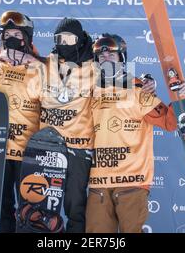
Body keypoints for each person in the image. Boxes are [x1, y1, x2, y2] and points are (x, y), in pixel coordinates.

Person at [39, 19, 157, 232]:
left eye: (70, 38)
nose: (105, 58)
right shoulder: (48, 65)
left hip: (89, 154)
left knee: (76, 208)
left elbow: (125, 80)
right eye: (60, 39)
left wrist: (146, 82)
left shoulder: (106, 76)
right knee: (46, 207)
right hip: (57, 150)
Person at [85, 33, 185, 233]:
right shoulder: (89, 92)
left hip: (131, 182)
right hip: (98, 182)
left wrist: (182, 97)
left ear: (122, 58)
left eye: (111, 56)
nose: (105, 59)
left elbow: (170, 122)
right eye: (100, 56)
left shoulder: (137, 91)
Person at [0, 10, 45, 233]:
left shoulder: (40, 68)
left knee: (29, 210)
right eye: (7, 34)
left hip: (28, 152)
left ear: (27, 37)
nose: (12, 38)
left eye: (17, 33)